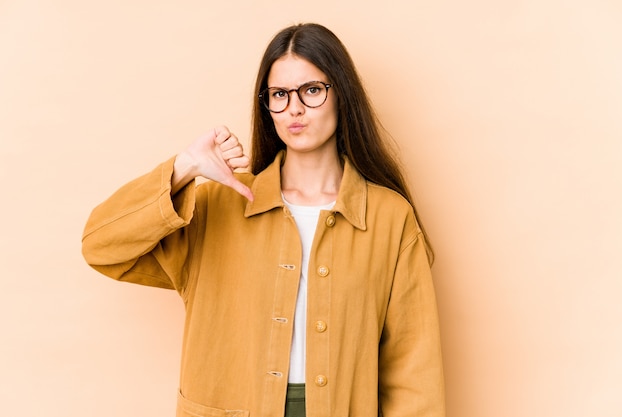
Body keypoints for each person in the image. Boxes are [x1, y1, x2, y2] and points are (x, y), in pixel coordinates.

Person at [82, 23, 445, 417]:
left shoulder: (389, 218)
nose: (294, 108)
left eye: (311, 90)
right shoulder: (218, 206)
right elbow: (101, 246)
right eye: (279, 94)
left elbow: (414, 375)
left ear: (342, 94)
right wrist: (184, 168)